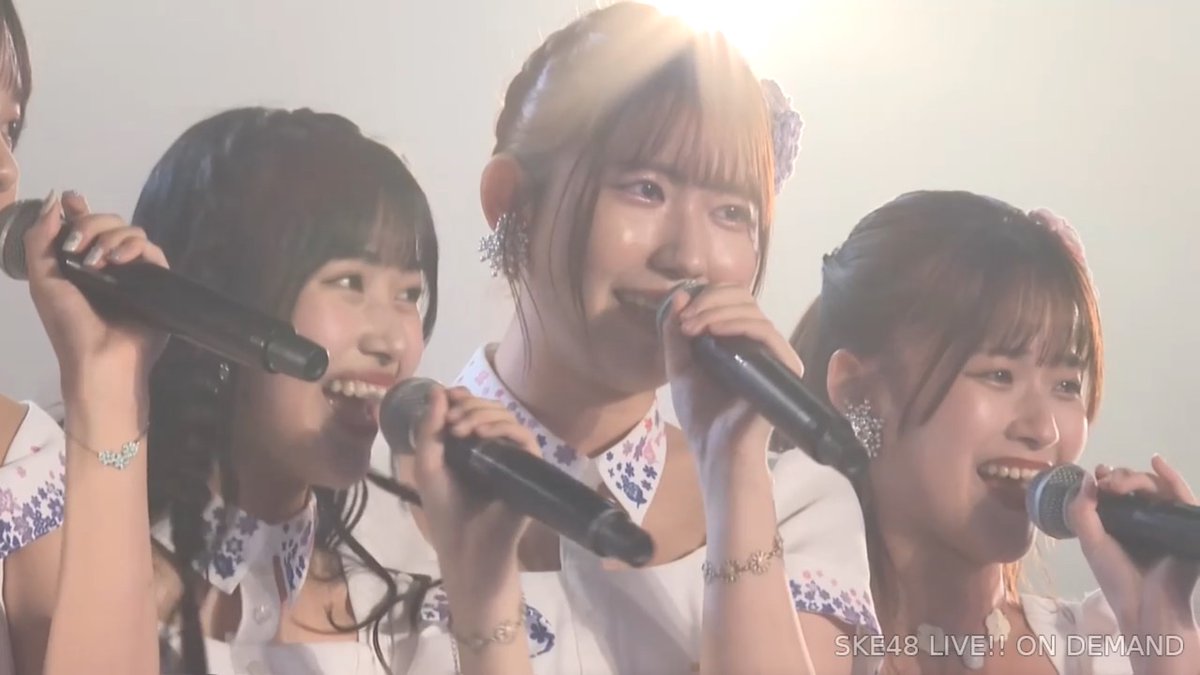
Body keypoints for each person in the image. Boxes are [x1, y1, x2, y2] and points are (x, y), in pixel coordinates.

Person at [387, 3, 876, 674]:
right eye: (646, 189)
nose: (690, 256)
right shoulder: (361, 501)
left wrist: (734, 471)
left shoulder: (795, 500)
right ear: (512, 202)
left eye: (731, 212)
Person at [22, 106, 543, 675]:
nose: (394, 341)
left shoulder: (408, 609)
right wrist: (107, 384)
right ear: (220, 307)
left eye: (409, 294)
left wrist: (486, 590)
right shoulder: (58, 578)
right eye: (350, 282)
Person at [784, 189, 1198, 675]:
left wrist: (1167, 644)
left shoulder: (1103, 652)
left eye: (1067, 384)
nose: (1043, 429)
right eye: (999, 375)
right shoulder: (771, 636)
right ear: (859, 390)